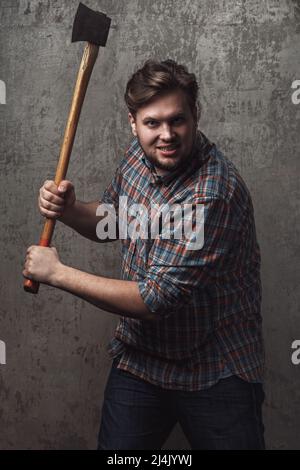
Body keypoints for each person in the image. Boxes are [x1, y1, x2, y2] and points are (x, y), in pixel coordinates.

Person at [23, 59, 265, 450]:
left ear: (195, 115)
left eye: (177, 120)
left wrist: (58, 274)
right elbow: (113, 221)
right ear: (133, 122)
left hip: (214, 369)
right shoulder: (140, 155)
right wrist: (70, 210)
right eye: (153, 123)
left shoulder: (211, 193)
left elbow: (156, 299)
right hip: (143, 361)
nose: (166, 135)